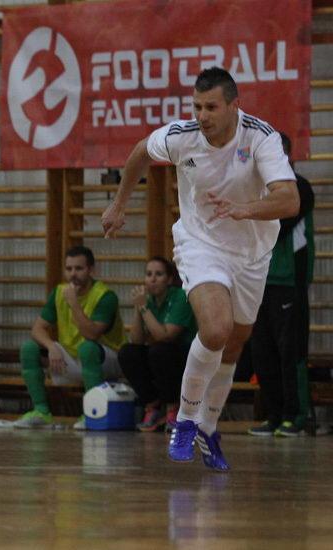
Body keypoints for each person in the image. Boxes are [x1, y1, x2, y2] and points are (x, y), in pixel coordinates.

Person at [102, 67, 299, 471]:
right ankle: (186, 419)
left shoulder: (260, 138)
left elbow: (289, 199)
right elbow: (141, 151)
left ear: (234, 106)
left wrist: (246, 209)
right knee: (215, 329)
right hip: (201, 244)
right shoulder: (182, 136)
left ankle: (208, 427)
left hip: (252, 253)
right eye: (197, 106)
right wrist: (119, 204)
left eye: (211, 107)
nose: (202, 115)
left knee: (235, 342)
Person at [248, 132, 315, 438]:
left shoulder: (299, 188)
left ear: (286, 156)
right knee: (263, 352)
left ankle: (296, 415)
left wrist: (246, 213)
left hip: (288, 281)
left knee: (291, 351)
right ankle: (274, 415)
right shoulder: (256, 191)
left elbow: (279, 224)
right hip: (257, 281)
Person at [13, 245, 125, 430]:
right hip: (74, 357)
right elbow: (37, 329)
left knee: (87, 348)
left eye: (79, 268)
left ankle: (92, 413)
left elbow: (91, 334)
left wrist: (74, 303)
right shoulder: (59, 292)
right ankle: (41, 411)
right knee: (29, 349)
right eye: (69, 269)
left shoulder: (105, 296)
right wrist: (51, 347)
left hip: (108, 359)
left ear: (91, 270)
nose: (73, 274)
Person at [118, 257, 196, 432]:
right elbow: (137, 341)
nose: (152, 279)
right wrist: (138, 309)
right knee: (128, 352)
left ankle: (173, 409)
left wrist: (144, 308)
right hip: (160, 354)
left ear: (169, 279)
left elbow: (166, 336)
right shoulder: (147, 300)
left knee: (160, 351)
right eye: (149, 274)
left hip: (185, 356)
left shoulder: (180, 296)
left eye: (158, 274)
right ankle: (152, 406)